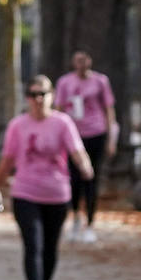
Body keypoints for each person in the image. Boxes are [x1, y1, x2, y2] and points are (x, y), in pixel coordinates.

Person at [0, 75, 93, 280]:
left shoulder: (62, 123)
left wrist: (85, 168)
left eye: (42, 94)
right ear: (27, 98)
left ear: (52, 96)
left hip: (56, 193)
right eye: (33, 95)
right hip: (25, 192)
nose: (38, 99)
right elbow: (7, 161)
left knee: (49, 247)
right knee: (33, 245)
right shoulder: (18, 125)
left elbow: (77, 151)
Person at [54, 49, 117, 242]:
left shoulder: (100, 81)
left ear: (90, 60)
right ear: (73, 62)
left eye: (84, 59)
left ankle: (90, 223)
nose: (81, 63)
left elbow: (109, 110)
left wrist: (111, 138)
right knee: (74, 179)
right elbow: (59, 108)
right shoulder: (65, 82)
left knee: (91, 178)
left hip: (95, 134)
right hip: (73, 137)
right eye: (78, 60)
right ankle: (75, 217)